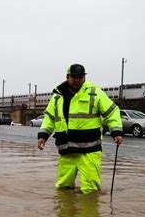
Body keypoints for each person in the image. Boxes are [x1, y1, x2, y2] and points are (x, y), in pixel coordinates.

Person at [37, 64, 123, 194]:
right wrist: (43, 135)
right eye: (74, 77)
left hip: (89, 150)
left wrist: (116, 131)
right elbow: (49, 118)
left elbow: (112, 112)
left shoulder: (94, 92)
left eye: (81, 77)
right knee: (63, 188)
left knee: (90, 190)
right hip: (66, 149)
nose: (77, 80)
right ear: (67, 77)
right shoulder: (57, 97)